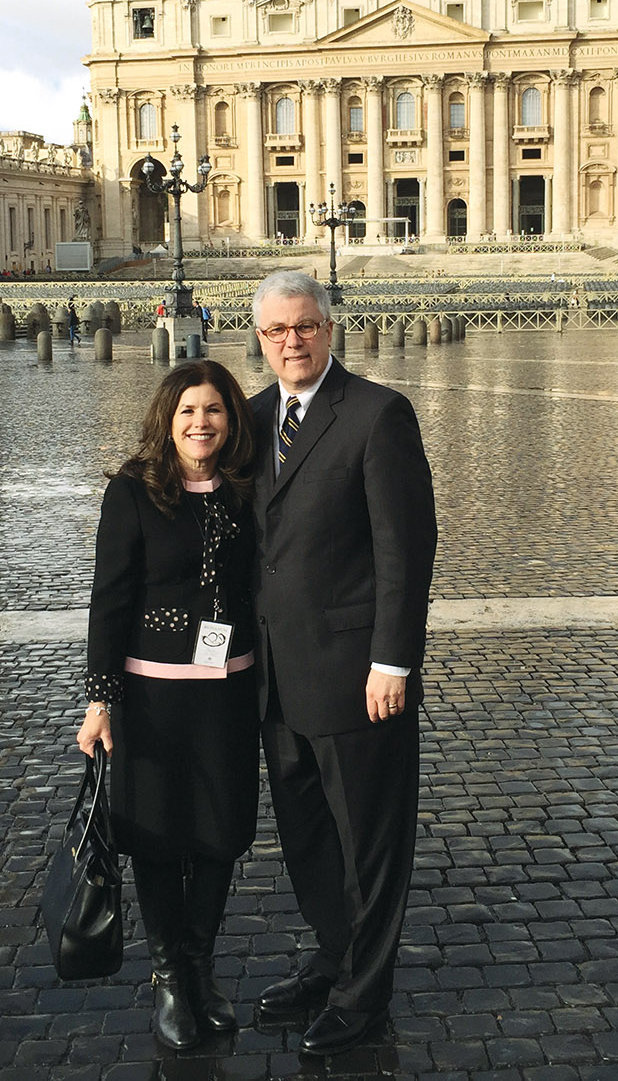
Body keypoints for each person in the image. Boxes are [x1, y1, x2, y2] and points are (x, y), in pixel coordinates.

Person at [248, 271, 436, 1056]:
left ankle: (365, 995)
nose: (292, 342)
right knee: (307, 837)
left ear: (330, 328)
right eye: (276, 331)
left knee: (369, 842)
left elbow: (406, 546)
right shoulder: (252, 418)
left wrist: (392, 659)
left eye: (305, 327)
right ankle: (336, 956)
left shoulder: (377, 413)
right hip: (275, 678)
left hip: (359, 676)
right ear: (258, 338)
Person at [77, 361, 259, 1049]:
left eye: (212, 410)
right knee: (155, 838)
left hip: (228, 692)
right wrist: (101, 701)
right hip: (152, 695)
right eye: (188, 411)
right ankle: (166, 978)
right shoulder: (133, 491)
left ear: (230, 419)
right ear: (167, 418)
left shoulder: (244, 490)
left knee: (219, 834)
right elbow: (109, 600)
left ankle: (200, 966)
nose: (200, 422)